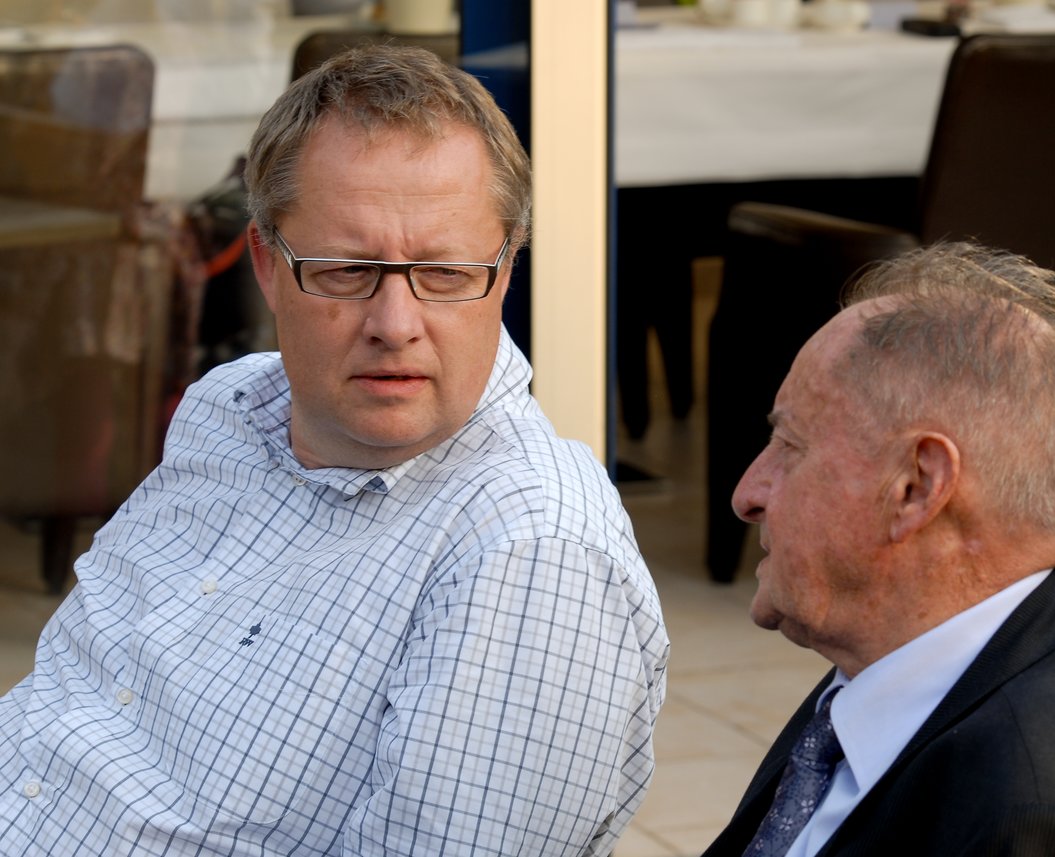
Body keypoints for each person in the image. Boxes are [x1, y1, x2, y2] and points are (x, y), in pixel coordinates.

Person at [0, 45, 668, 856]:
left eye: (446, 271)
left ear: (504, 270)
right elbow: (79, 697)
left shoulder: (530, 553)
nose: (395, 322)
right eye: (348, 269)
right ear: (266, 266)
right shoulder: (233, 407)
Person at [701, 243, 1055, 857]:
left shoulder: (1026, 813)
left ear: (917, 487)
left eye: (790, 446)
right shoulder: (920, 662)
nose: (748, 494)